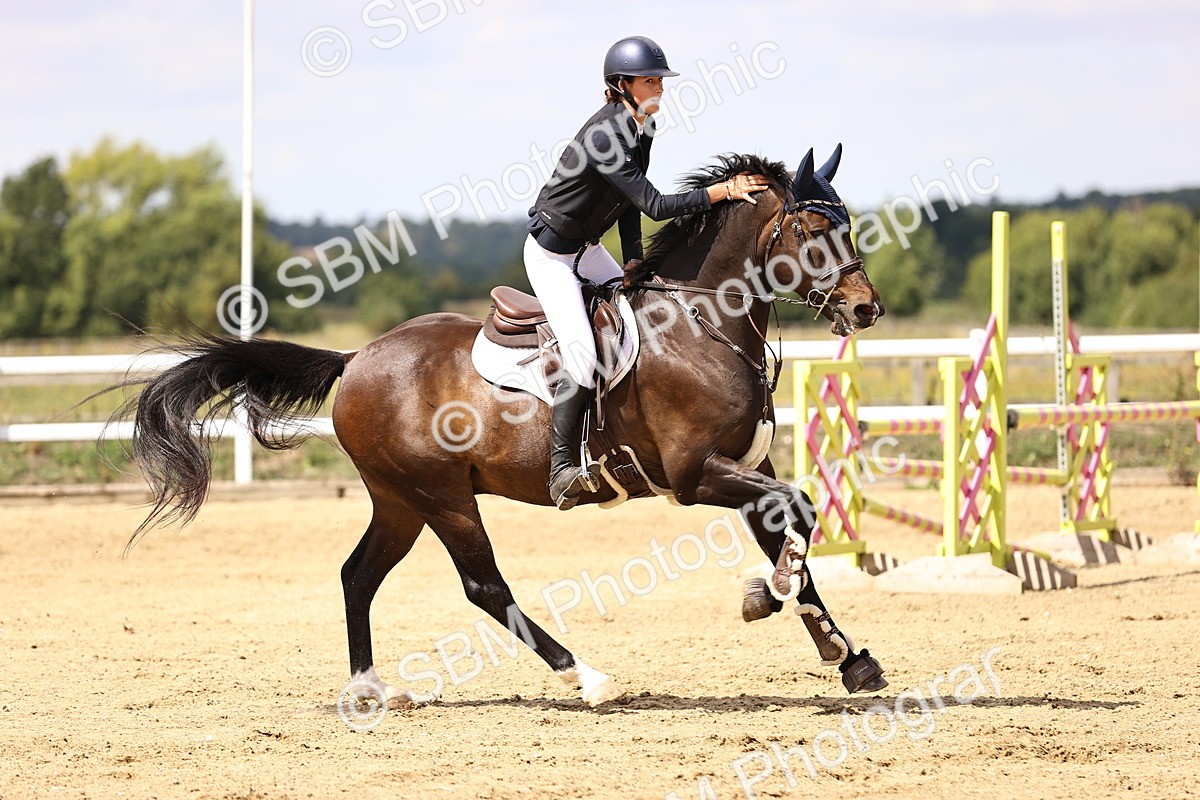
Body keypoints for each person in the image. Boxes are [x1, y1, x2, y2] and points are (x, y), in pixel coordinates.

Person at [524, 35, 771, 510]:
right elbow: (654, 203)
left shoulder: (642, 126)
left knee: (647, 314)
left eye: (660, 79)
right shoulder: (604, 135)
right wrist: (721, 192)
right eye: (649, 80)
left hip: (589, 248)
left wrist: (635, 258)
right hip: (552, 257)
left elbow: (626, 205)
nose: (659, 87)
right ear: (621, 85)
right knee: (581, 357)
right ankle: (560, 469)